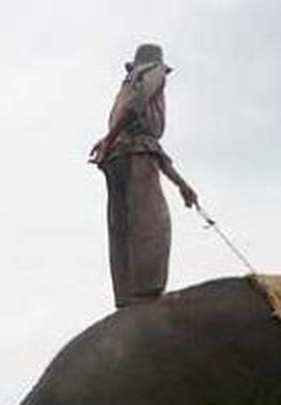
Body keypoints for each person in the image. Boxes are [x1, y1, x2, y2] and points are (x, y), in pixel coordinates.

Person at [90, 43, 198, 308]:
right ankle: (147, 291)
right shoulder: (153, 71)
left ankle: (126, 295)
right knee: (151, 223)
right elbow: (137, 108)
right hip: (131, 153)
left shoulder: (127, 84)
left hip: (119, 155)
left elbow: (145, 144)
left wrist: (181, 184)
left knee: (123, 225)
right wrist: (109, 138)